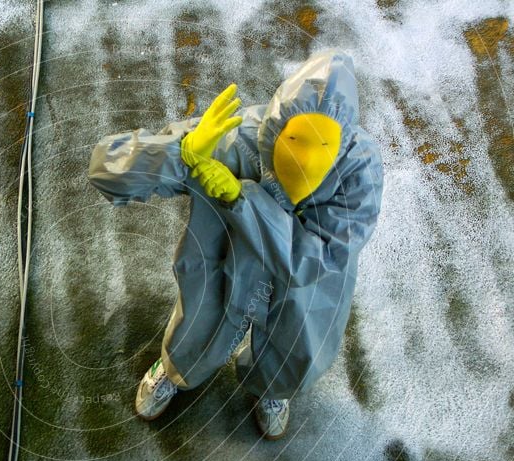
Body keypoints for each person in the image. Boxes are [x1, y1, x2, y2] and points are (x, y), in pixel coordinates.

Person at [88, 50, 383, 439]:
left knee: (298, 339)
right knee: (201, 322)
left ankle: (273, 389)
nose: (307, 161)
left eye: (324, 146)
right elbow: (108, 169)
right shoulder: (235, 141)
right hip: (224, 258)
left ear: (343, 143)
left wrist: (241, 201)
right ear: (279, 128)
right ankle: (177, 370)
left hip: (302, 284)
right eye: (297, 139)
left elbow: (319, 261)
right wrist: (180, 151)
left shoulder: (358, 173)